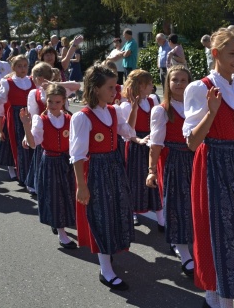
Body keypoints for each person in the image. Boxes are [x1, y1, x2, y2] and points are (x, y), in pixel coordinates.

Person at [183, 27, 234, 308]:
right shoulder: (198, 88)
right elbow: (193, 143)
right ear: (216, 53)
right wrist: (211, 112)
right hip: (210, 164)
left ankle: (221, 294)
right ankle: (215, 295)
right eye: (233, 54)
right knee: (212, 230)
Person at [70, 64, 137, 291]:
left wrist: (134, 111)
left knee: (116, 211)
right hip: (96, 170)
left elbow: (128, 132)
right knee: (102, 216)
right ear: (96, 88)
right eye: (110, 86)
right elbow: (77, 155)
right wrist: (81, 185)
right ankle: (105, 269)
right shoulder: (82, 117)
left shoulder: (113, 111)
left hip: (114, 166)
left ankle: (109, 257)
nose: (115, 90)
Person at [147, 65, 195, 277]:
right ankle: (183, 251)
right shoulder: (162, 110)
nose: (179, 84)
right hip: (173, 159)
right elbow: (156, 144)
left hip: (195, 158)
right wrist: (151, 170)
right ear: (168, 83)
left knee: (194, 204)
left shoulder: (197, 107)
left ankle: (187, 242)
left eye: (184, 80)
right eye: (175, 80)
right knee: (176, 204)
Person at [21, 84, 77, 248]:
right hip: (51, 161)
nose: (53, 106)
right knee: (55, 196)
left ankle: (60, 221)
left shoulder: (70, 119)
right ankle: (62, 233)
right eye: (50, 102)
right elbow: (33, 144)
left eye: (57, 102)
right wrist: (26, 125)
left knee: (69, 194)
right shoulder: (41, 119)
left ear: (64, 102)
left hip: (67, 161)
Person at [0, 55, 36, 184]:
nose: (23, 69)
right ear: (13, 67)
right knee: (19, 146)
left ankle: (30, 173)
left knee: (32, 145)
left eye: (25, 66)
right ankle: (21, 174)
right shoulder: (8, 82)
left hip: (30, 115)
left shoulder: (33, 81)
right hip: (16, 117)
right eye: (19, 66)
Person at [120, 69, 163, 227]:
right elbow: (127, 131)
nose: (152, 86)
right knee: (135, 181)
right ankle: (133, 212)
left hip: (151, 143)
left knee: (155, 178)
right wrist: (134, 108)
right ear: (140, 86)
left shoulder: (153, 100)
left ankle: (160, 216)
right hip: (136, 145)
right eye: (149, 84)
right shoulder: (125, 106)